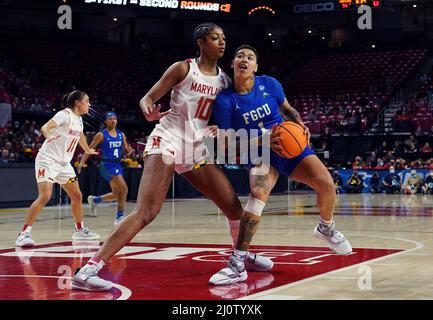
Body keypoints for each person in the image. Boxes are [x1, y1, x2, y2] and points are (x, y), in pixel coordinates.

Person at [72, 23, 273, 291]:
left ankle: (241, 256)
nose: (222, 43)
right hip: (166, 142)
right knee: (147, 212)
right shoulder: (183, 68)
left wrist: (220, 128)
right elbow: (147, 98)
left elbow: (226, 115)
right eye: (215, 38)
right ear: (201, 43)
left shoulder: (225, 80)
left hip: (195, 148)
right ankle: (88, 270)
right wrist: (149, 111)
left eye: (224, 38)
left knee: (234, 208)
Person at [208, 45, 352, 285]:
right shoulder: (225, 101)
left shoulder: (270, 84)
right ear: (232, 64)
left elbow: (287, 109)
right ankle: (237, 263)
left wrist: (299, 122)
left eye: (250, 57)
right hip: (259, 151)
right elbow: (225, 147)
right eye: (240, 56)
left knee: (327, 184)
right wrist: (264, 139)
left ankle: (326, 228)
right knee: (257, 196)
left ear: (256, 67)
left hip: (288, 144)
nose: (244, 59)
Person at [15, 90, 100, 247]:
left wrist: (87, 149)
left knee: (77, 195)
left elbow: (80, 135)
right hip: (47, 160)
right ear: (77, 102)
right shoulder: (64, 115)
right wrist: (48, 135)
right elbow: (46, 127)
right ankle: (24, 234)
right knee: (45, 196)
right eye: (87, 101)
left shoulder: (79, 120)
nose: (89, 104)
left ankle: (79, 230)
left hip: (64, 164)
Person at [78, 112, 134, 225]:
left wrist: (129, 151)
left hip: (117, 164)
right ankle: (119, 217)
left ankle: (95, 200)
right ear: (105, 121)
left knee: (117, 194)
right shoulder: (101, 135)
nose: (113, 121)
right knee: (124, 189)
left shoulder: (121, 134)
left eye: (114, 119)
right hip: (106, 165)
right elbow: (89, 149)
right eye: (110, 119)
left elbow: (125, 150)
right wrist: (81, 162)